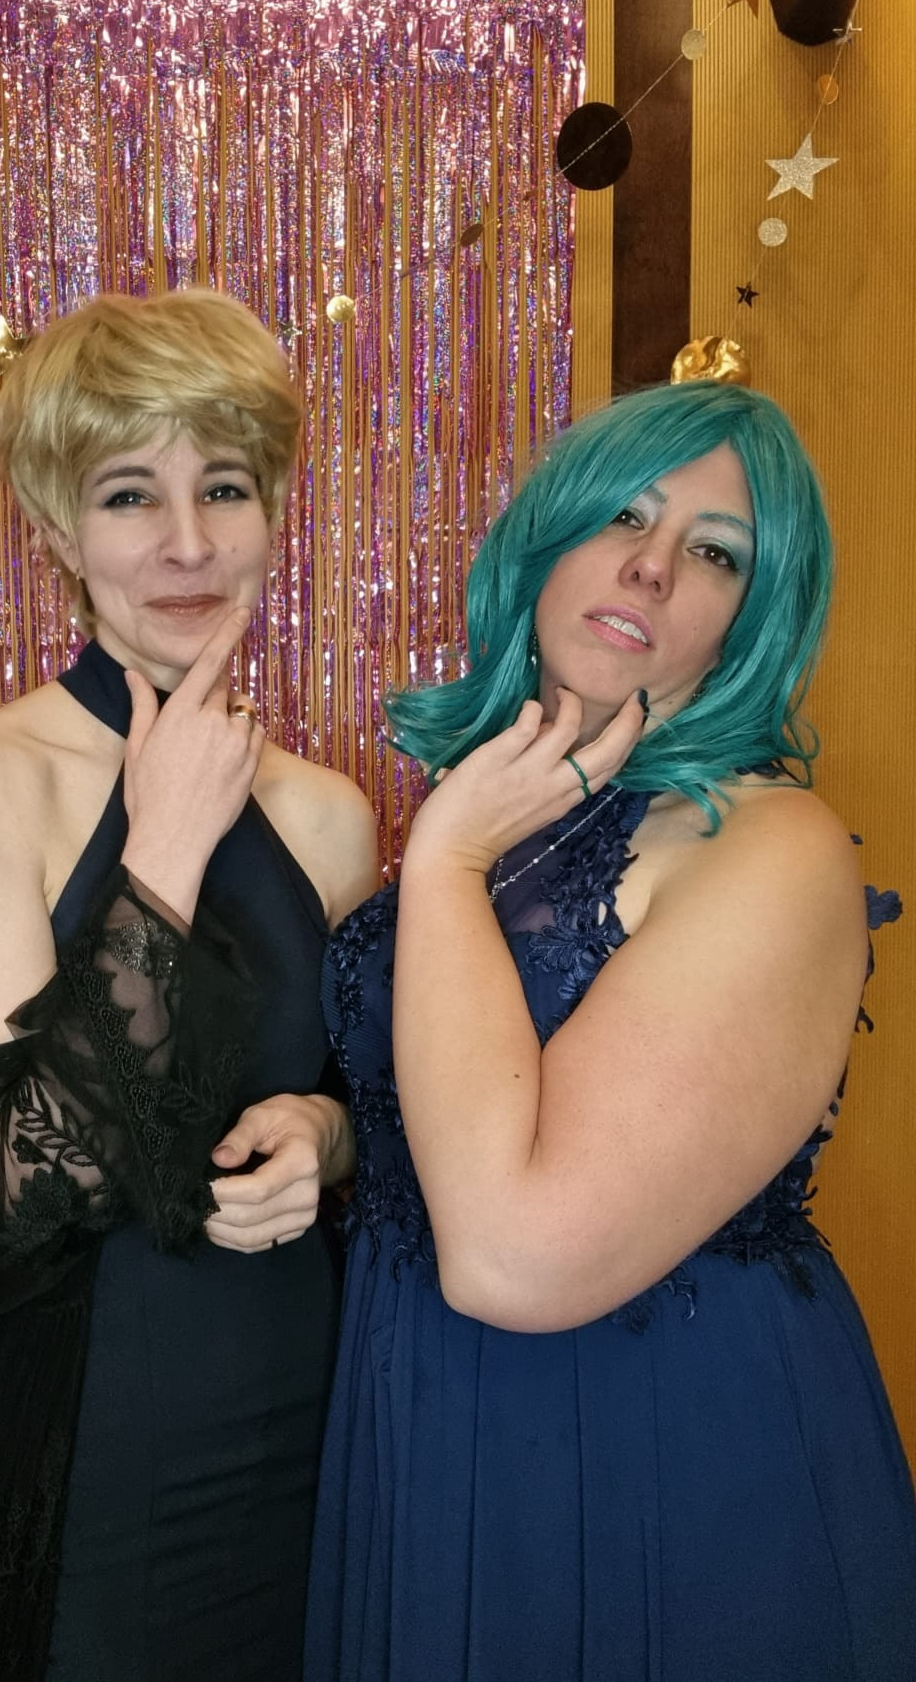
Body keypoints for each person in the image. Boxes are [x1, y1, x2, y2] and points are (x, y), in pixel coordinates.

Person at [305, 380, 916, 1681]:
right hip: (427, 1421)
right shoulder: (507, 805)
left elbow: (515, 1257)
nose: (652, 563)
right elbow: (441, 1112)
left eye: (716, 552)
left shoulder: (771, 847)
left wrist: (447, 863)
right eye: (626, 514)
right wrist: (328, 1135)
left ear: (753, 616)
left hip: (661, 1459)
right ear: (549, 533)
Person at [0, 287, 378, 1682]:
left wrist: (330, 1135)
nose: (188, 542)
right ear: (58, 531)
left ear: (271, 512)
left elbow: (384, 1121)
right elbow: (15, 1192)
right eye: (127, 495)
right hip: (95, 1453)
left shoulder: (330, 815)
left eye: (223, 486)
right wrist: (163, 847)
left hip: (315, 1427)